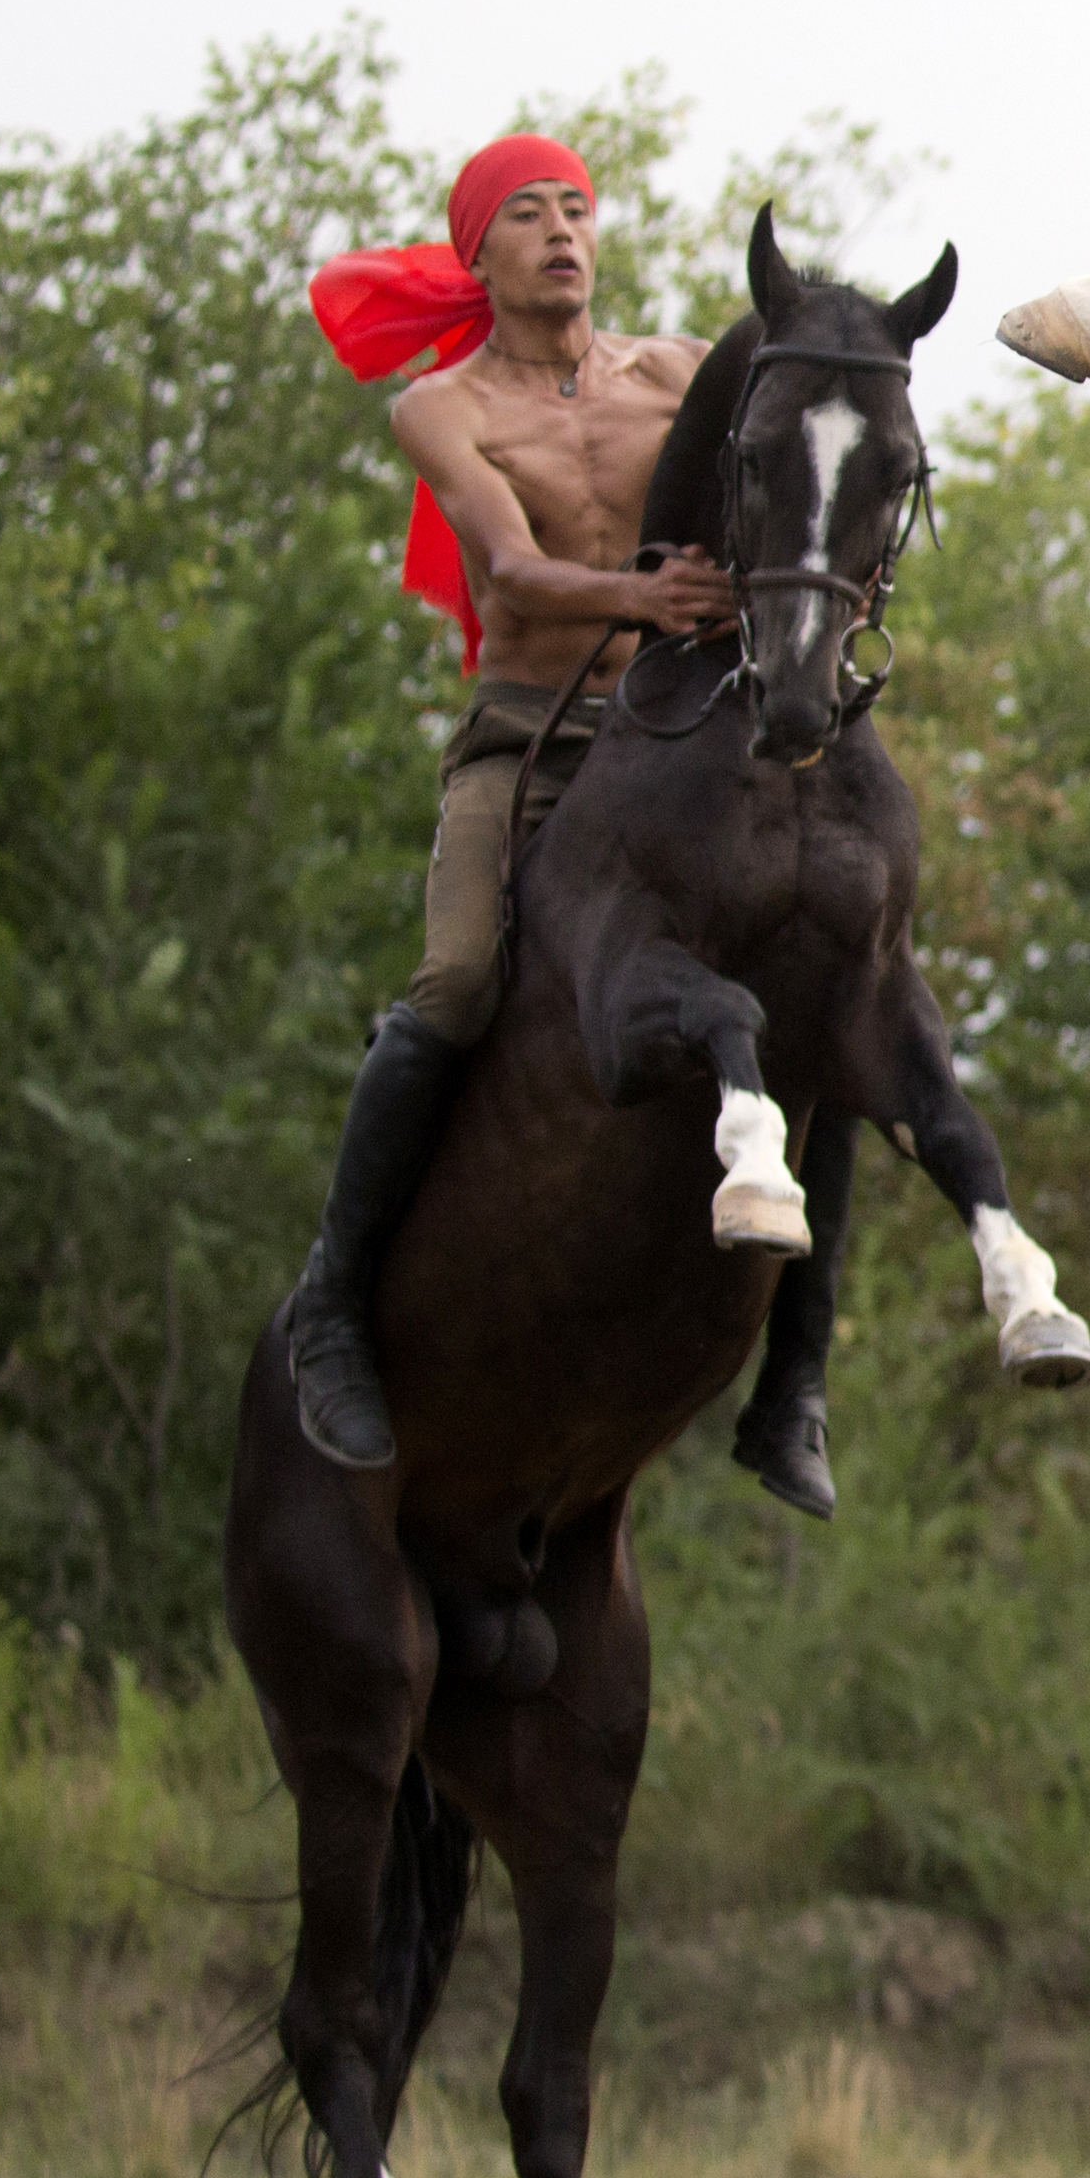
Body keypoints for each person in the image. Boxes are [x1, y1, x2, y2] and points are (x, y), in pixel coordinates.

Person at [279, 136, 736, 1468]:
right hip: (527, 738)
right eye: (527, 214)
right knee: (460, 979)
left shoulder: (674, 373)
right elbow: (517, 574)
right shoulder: (444, 406)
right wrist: (646, 599)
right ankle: (331, 1302)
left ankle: (794, 1356)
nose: (560, 233)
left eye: (576, 209)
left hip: (670, 736)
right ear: (477, 253)